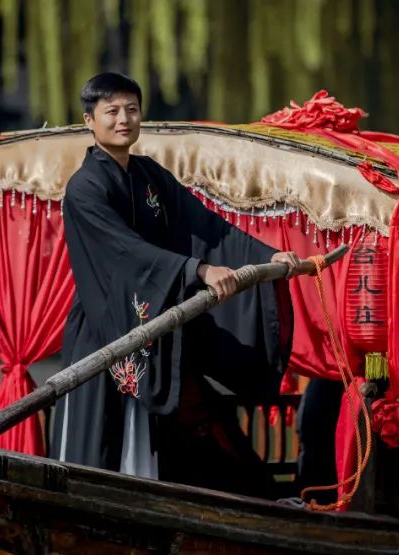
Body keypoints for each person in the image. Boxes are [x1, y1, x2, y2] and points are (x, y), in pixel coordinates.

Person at [50, 73, 308, 497]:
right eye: (112, 111)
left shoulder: (149, 175)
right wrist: (197, 271)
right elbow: (125, 251)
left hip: (155, 321)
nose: (123, 119)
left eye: (132, 109)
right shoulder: (84, 188)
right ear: (89, 121)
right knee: (104, 443)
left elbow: (203, 226)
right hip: (104, 328)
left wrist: (267, 256)